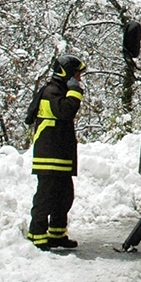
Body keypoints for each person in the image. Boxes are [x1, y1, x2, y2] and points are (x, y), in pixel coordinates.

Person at [26, 55, 86, 251]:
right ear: (66, 74)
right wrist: (75, 92)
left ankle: (57, 234)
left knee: (64, 196)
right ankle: (37, 235)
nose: (79, 79)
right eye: (76, 75)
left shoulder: (60, 90)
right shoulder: (52, 92)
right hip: (49, 156)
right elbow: (65, 112)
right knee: (46, 197)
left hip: (60, 155)